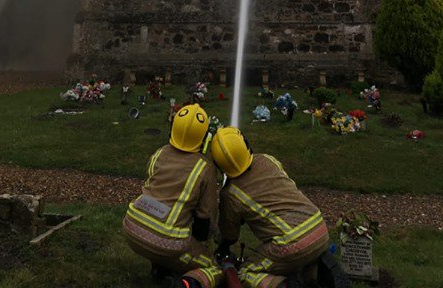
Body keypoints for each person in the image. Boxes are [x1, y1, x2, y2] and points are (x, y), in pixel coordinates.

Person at [211, 127, 348, 288]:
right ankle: (312, 275)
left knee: (245, 272)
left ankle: (285, 285)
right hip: (320, 229)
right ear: (246, 144)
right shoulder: (268, 159)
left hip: (290, 245)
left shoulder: (230, 194)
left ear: (219, 165)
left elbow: (230, 235)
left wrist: (221, 241)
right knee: (304, 264)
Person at [123, 103, 222, 288]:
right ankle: (185, 283)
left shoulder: (159, 153)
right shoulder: (204, 167)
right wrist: (201, 244)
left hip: (132, 227)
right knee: (214, 267)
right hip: (167, 242)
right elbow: (205, 217)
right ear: (204, 138)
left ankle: (160, 267)